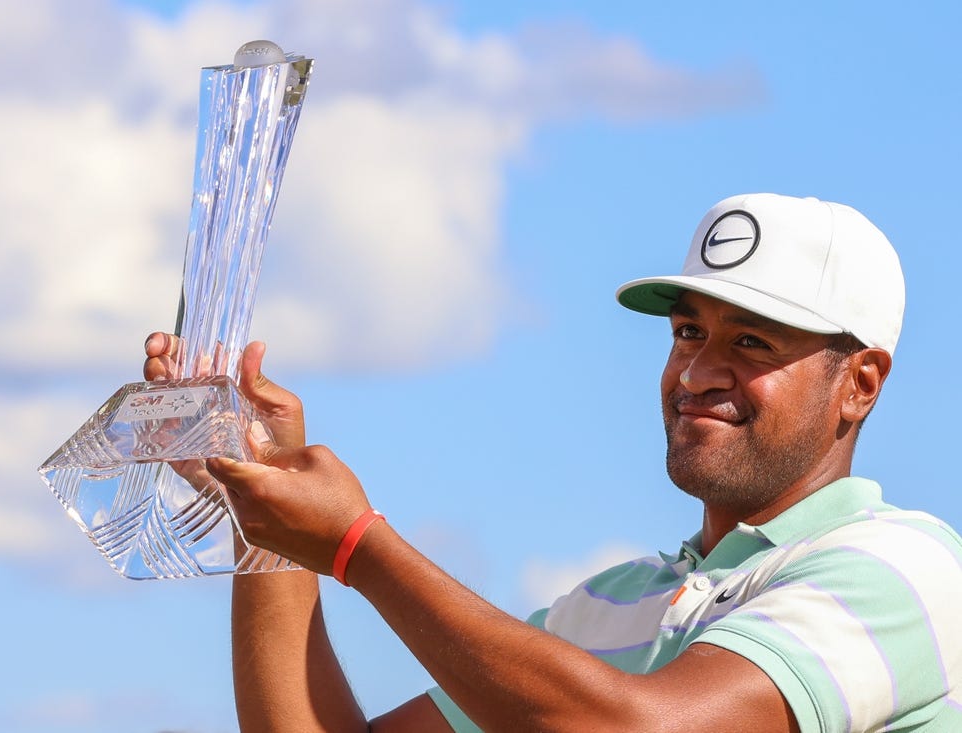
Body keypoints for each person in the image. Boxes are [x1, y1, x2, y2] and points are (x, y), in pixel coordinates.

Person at [143, 193, 962, 732]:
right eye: (688, 332)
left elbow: (633, 729)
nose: (699, 370)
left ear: (859, 384)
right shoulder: (609, 606)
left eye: (752, 341)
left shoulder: (906, 570)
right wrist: (265, 509)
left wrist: (359, 544)